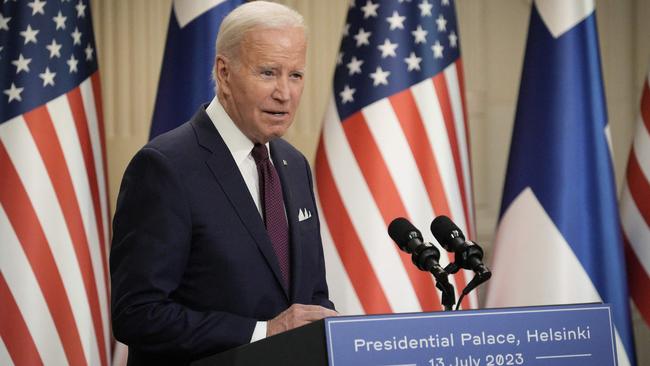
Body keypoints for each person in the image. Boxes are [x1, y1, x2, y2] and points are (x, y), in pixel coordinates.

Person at [110, 2, 337, 364]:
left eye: (295, 75)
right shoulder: (164, 167)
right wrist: (262, 333)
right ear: (224, 73)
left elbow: (310, 296)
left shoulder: (293, 164)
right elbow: (137, 314)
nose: (285, 92)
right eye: (268, 72)